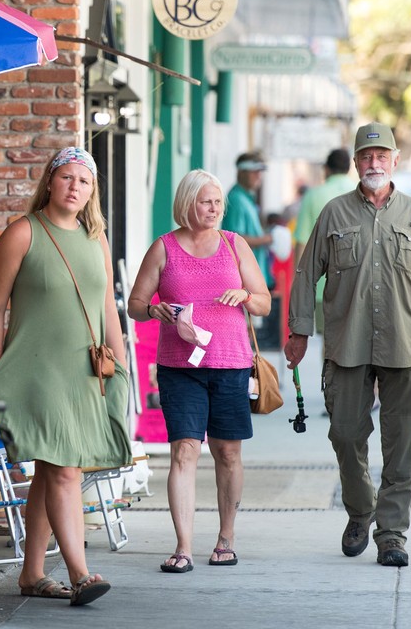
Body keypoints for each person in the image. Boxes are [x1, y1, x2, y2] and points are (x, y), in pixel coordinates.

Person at [0, 146, 130, 606]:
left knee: (50, 470)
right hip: (34, 374)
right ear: (50, 182)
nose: (75, 187)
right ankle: (81, 573)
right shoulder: (23, 233)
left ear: (92, 193)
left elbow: (108, 307)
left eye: (84, 182)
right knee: (65, 469)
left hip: (83, 372)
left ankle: (30, 573)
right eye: (67, 178)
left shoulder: (96, 238)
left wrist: (120, 369)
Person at [285, 123, 411, 568]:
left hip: (404, 346)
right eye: (366, 156)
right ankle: (360, 510)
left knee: (401, 444)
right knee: (346, 435)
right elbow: (306, 272)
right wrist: (298, 331)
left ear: (395, 161)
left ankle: (392, 534)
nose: (374, 163)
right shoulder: (333, 213)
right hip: (345, 344)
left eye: (381, 155)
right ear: (355, 162)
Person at [128, 169, 271, 573]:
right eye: (206, 201)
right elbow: (135, 305)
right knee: (184, 451)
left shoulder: (233, 244)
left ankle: (226, 538)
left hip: (230, 364)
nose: (214, 209)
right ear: (187, 203)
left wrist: (245, 294)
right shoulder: (164, 248)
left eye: (218, 202)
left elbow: (264, 302)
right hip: (179, 366)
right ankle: (184, 546)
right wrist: (153, 309)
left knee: (228, 452)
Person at [292, 147, 353, 332]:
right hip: (356, 285)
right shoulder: (361, 194)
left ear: (326, 169)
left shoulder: (313, 195)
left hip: (322, 287)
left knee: (330, 342)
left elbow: (302, 242)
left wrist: (300, 287)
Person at [224, 151, 275, 290]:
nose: (259, 176)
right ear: (241, 172)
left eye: (260, 172)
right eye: (254, 171)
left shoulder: (246, 198)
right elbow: (234, 239)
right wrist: (267, 239)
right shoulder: (236, 199)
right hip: (244, 280)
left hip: (253, 277)